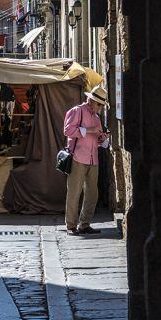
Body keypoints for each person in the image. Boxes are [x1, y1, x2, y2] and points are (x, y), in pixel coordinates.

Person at [64, 84, 110, 235]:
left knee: (92, 194)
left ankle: (84, 224)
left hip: (93, 159)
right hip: (78, 157)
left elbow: (98, 141)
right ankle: (71, 225)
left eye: (102, 105)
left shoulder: (96, 118)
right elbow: (68, 130)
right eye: (99, 104)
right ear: (91, 100)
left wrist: (103, 138)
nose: (100, 108)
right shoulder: (77, 111)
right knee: (74, 192)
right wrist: (88, 130)